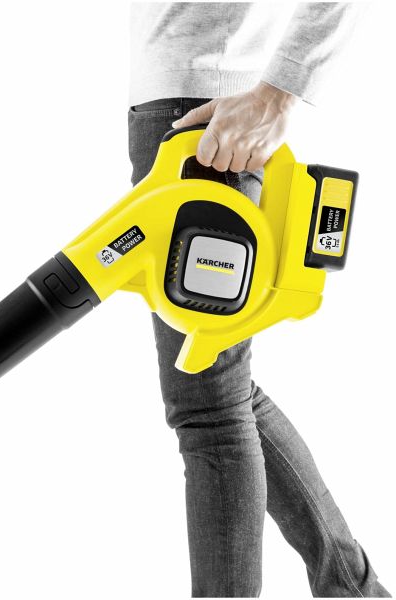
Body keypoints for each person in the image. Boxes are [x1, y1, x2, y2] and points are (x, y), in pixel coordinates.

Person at [129, 3, 390, 597]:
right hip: (180, 111)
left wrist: (277, 95)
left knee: (211, 411)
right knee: (219, 393)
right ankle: (355, 591)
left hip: (208, 124)